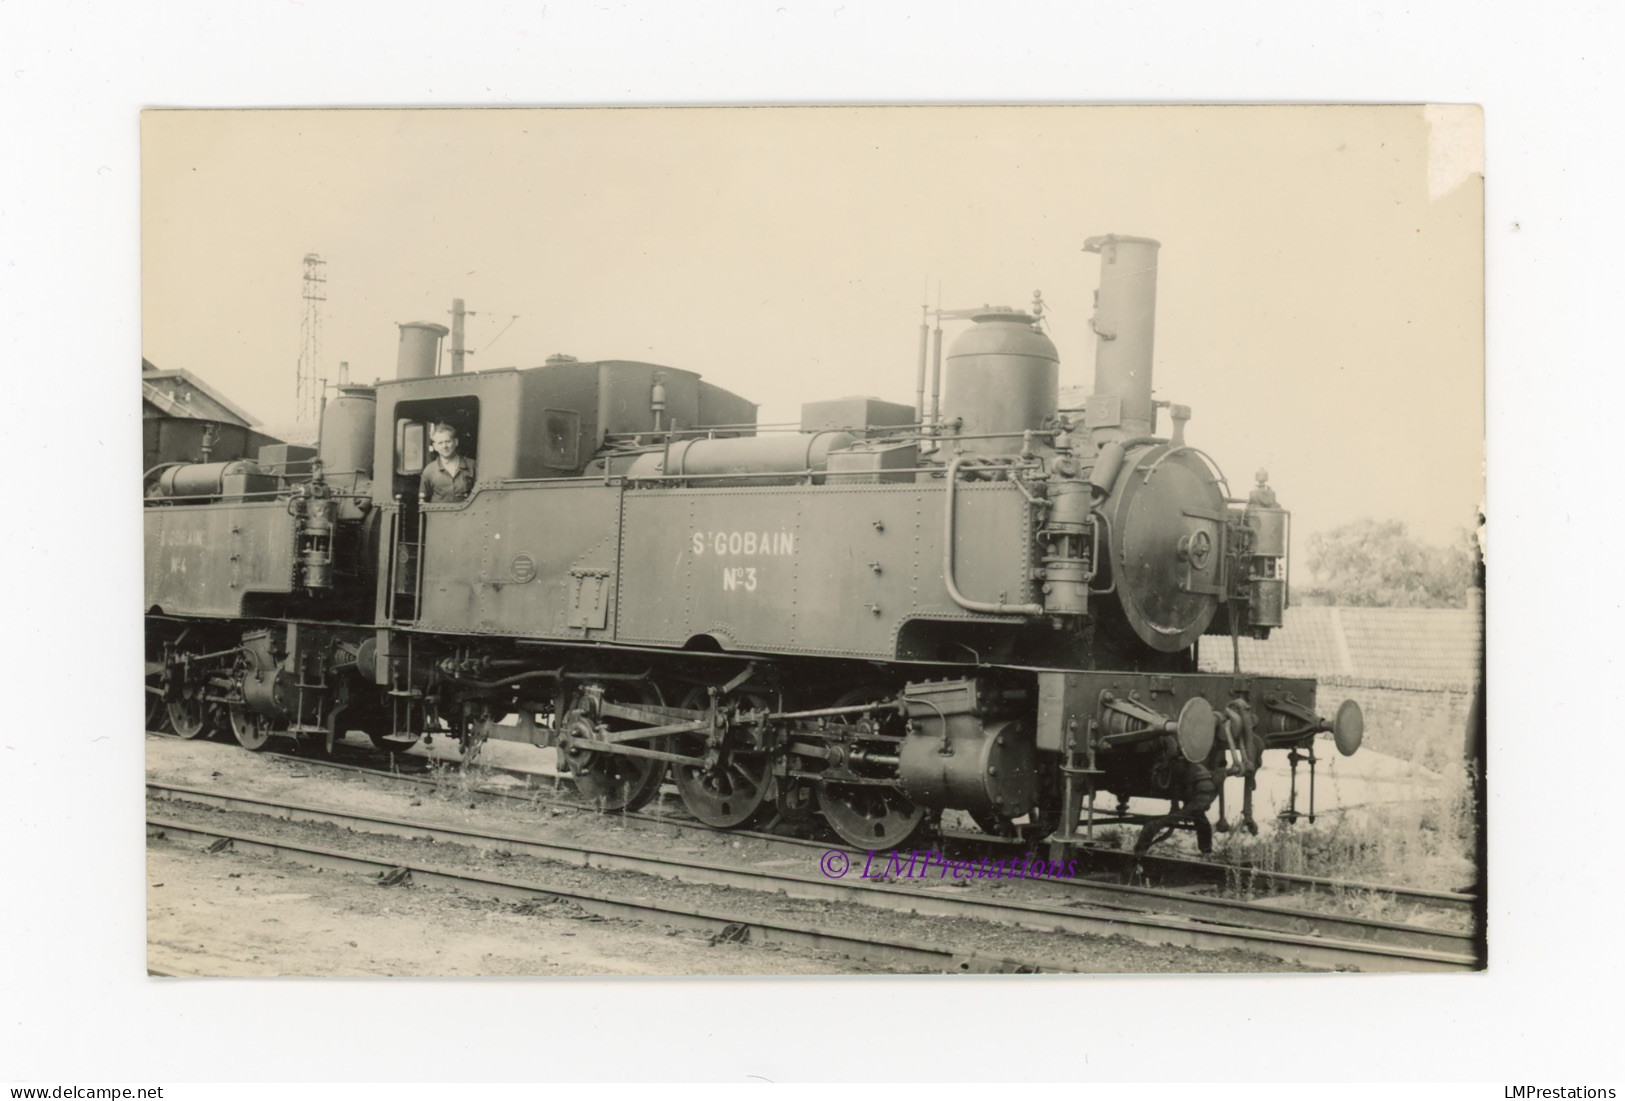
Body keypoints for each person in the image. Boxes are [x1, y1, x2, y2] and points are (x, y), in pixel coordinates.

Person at [418, 422, 476, 503]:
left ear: (456, 442)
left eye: (448, 441)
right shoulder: (429, 471)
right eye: (440, 443)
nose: (444, 446)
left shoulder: (472, 465)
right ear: (435, 446)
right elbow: (423, 502)